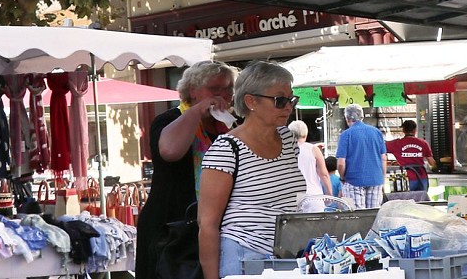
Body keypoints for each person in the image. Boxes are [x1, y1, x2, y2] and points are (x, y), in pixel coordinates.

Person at [198, 61, 306, 279]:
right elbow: (207, 223)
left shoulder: (287, 138)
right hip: (245, 256)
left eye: (291, 99)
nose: (288, 106)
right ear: (251, 101)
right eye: (280, 100)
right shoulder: (227, 147)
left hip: (289, 256)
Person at [134, 60, 237, 279]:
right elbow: (170, 151)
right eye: (214, 89)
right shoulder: (169, 119)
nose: (222, 96)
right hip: (171, 227)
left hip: (211, 227)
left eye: (227, 89)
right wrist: (198, 111)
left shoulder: (229, 127)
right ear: (193, 90)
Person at [335, 103, 386, 209]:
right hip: (375, 179)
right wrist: (382, 179)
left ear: (347, 118)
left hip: (353, 181)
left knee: (357, 216)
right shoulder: (377, 132)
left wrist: (342, 177)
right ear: (362, 116)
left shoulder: (346, 135)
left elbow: (341, 163)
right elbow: (383, 158)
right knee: (373, 215)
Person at [287, 120, 332, 212]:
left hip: (292, 197)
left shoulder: (285, 150)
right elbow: (323, 174)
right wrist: (329, 194)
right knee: (317, 225)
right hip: (314, 196)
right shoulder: (313, 149)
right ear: (305, 135)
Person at [386, 120, 436, 192]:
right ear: (415, 130)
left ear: (403, 130)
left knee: (407, 202)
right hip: (421, 177)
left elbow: (379, 145)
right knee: (422, 201)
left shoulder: (396, 144)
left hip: (406, 178)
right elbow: (432, 163)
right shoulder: (423, 143)